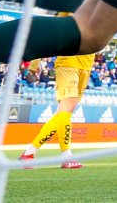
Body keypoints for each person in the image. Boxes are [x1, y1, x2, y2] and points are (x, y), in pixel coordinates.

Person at [18, 24, 94, 170]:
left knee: (62, 114)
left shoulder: (100, 5)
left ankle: (29, 154)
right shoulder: (70, 7)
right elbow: (48, 35)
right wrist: (35, 63)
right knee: (68, 108)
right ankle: (67, 156)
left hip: (86, 65)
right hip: (69, 62)